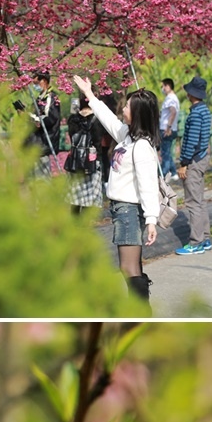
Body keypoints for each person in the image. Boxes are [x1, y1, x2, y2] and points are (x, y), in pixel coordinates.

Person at [73, 75, 160, 307]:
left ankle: (139, 314)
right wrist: (90, 95)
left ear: (139, 113)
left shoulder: (141, 146)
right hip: (121, 209)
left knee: (128, 267)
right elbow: (110, 121)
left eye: (129, 106)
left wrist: (152, 219)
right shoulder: (128, 137)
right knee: (131, 267)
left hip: (129, 211)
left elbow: (148, 185)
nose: (124, 108)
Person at [175, 77, 212, 255]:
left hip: (194, 160)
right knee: (200, 200)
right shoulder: (204, 110)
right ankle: (205, 238)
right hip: (203, 157)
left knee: (192, 202)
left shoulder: (196, 114)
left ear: (191, 93)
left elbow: (192, 141)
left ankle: (196, 242)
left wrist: (184, 163)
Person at [65, 95, 106, 216]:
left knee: (76, 195)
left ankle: (74, 221)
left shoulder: (73, 118)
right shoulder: (97, 119)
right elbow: (98, 140)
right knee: (89, 195)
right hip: (91, 161)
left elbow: (72, 135)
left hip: (76, 160)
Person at [27, 71, 61, 176]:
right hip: (35, 143)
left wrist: (35, 119)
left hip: (44, 143)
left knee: (41, 178)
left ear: (44, 81)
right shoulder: (39, 98)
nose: (35, 86)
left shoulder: (51, 97)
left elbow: (50, 118)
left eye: (37, 83)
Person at [159, 78, 180, 181]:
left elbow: (173, 112)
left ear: (168, 86)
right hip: (170, 128)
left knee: (165, 153)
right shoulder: (172, 98)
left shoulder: (170, 98)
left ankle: (164, 175)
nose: (162, 89)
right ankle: (174, 172)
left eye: (163, 86)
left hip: (166, 129)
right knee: (166, 151)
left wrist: (168, 127)